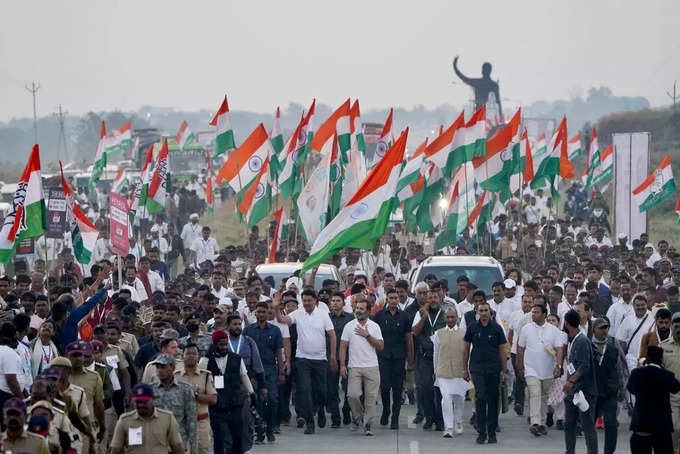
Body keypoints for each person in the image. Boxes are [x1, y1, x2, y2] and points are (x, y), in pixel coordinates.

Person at [273, 289, 337, 434]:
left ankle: (320, 408)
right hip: (302, 359)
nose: (307, 303)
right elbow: (282, 320)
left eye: (310, 300)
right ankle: (310, 423)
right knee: (305, 391)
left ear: (315, 301)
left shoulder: (323, 315)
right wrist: (277, 308)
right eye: (305, 300)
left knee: (321, 391)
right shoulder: (298, 313)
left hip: (320, 359)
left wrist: (332, 356)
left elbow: (332, 336)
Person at [517, 299, 564, 436]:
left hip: (548, 370)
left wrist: (559, 366)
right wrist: (520, 365)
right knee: (535, 393)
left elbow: (559, 349)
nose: (533, 314)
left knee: (543, 396)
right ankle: (535, 422)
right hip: (531, 369)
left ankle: (541, 423)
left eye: (536, 312)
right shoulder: (526, 329)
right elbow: (520, 348)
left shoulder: (553, 330)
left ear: (544, 314)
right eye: (532, 312)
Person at [463, 300, 507, 444]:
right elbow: (466, 349)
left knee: (493, 399)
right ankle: (481, 431)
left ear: (490, 313)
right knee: (480, 396)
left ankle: (492, 431)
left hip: (493, 368)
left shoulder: (497, 328)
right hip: (477, 368)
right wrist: (465, 368)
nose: (483, 313)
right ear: (477, 313)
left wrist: (504, 370)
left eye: (486, 311)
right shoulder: (472, 328)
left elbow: (502, 350)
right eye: (480, 311)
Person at [205, 329, 255, 454]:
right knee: (219, 439)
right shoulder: (206, 360)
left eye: (226, 344)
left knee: (237, 437)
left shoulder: (236, 358)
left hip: (235, 404)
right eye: (221, 344)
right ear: (215, 344)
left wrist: (252, 393)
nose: (224, 347)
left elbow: (244, 376)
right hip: (217, 407)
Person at [339, 299, 384, 436]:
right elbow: (343, 346)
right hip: (354, 367)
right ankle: (357, 417)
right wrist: (342, 365)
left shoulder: (374, 326)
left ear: (368, 311)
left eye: (362, 308)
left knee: (371, 398)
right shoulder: (349, 326)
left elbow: (381, 346)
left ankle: (368, 425)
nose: (358, 310)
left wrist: (367, 335)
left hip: (372, 367)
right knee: (352, 395)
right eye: (357, 308)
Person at [243, 301, 285, 442]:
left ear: (268, 313)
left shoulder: (274, 330)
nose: (261, 314)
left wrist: (281, 371)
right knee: (257, 402)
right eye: (259, 312)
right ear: (255, 313)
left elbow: (279, 352)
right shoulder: (248, 330)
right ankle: (259, 430)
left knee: (272, 400)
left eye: (263, 312)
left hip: (270, 370)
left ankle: (270, 428)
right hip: (253, 372)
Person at [372, 287, 413, 429]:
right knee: (384, 386)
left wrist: (410, 359)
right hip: (383, 356)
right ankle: (386, 410)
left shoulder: (405, 316)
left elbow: (409, 339)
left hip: (399, 357)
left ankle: (395, 417)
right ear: (387, 300)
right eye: (391, 298)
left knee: (397, 388)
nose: (394, 300)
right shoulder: (379, 316)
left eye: (396, 298)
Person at [628, 345, 680, 453]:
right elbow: (676, 388)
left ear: (647, 358)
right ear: (661, 359)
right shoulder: (667, 375)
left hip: (641, 424)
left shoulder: (636, 373)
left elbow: (631, 389)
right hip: (662, 425)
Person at [110, 383, 185, 454]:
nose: (141, 405)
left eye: (144, 401)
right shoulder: (124, 421)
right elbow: (116, 450)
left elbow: (177, 448)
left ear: (153, 399)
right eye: (138, 402)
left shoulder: (167, 418)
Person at [562, 309, 598, 454]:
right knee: (569, 424)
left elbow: (584, 366)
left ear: (566, 323)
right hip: (572, 392)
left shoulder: (582, 341)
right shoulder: (571, 340)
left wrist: (570, 381)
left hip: (585, 391)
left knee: (588, 426)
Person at [432, 307, 471, 437]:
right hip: (443, 372)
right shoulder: (438, 334)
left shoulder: (464, 333)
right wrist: (435, 370)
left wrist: (468, 371)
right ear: (445, 318)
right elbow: (436, 354)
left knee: (459, 399)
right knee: (446, 399)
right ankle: (448, 427)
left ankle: (458, 421)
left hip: (460, 371)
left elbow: (468, 354)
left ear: (457, 318)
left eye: (452, 317)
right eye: (447, 317)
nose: (450, 319)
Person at [591, 317, 627, 454]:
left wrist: (622, 389)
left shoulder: (613, 346)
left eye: (606, 327)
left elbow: (620, 368)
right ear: (594, 329)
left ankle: (609, 452)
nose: (604, 331)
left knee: (611, 424)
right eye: (601, 328)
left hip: (610, 391)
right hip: (593, 392)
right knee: (589, 424)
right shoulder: (588, 345)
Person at [151, 353, 198, 454]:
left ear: (172, 368)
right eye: (157, 367)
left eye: (163, 367)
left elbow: (192, 421)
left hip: (179, 443)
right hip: (156, 443)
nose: (159, 371)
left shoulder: (185, 389)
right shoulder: (151, 390)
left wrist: (194, 449)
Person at [65, 341, 105, 453]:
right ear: (66, 356)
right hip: (65, 426)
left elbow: (98, 404)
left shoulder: (94, 377)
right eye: (74, 355)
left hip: (86, 427)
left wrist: (102, 427)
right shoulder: (61, 377)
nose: (78, 359)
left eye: (80, 355)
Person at [324, 291, 353, 428]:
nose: (335, 303)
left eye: (338, 301)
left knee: (348, 389)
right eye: (333, 301)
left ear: (343, 303)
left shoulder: (351, 318)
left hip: (347, 358)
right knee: (331, 389)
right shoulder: (325, 318)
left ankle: (346, 410)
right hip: (330, 357)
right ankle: (335, 418)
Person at [616, 294, 654, 372]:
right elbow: (620, 342)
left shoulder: (653, 319)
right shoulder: (627, 320)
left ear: (647, 305)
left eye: (643, 305)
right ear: (633, 306)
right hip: (631, 360)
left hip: (649, 360)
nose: (640, 307)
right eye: (637, 305)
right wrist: (621, 360)